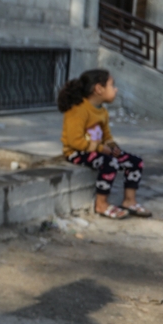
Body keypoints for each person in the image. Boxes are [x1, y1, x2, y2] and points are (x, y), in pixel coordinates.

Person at [58, 69, 149, 219]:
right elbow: (74, 141)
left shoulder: (102, 111)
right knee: (110, 163)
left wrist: (115, 149)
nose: (115, 89)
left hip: (97, 150)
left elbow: (107, 136)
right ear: (99, 89)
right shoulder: (78, 109)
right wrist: (102, 149)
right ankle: (101, 204)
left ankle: (129, 201)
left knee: (135, 162)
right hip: (76, 152)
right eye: (112, 85)